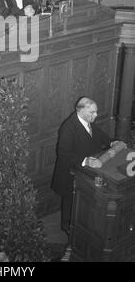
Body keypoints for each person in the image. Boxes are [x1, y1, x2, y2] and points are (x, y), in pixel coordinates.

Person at [51, 97, 125, 235]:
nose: (96, 115)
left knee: (82, 202)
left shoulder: (87, 121)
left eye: (96, 112)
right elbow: (63, 153)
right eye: (92, 112)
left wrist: (111, 143)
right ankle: (67, 228)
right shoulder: (68, 127)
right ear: (81, 110)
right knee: (70, 202)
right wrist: (86, 161)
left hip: (85, 173)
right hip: (70, 173)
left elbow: (98, 134)